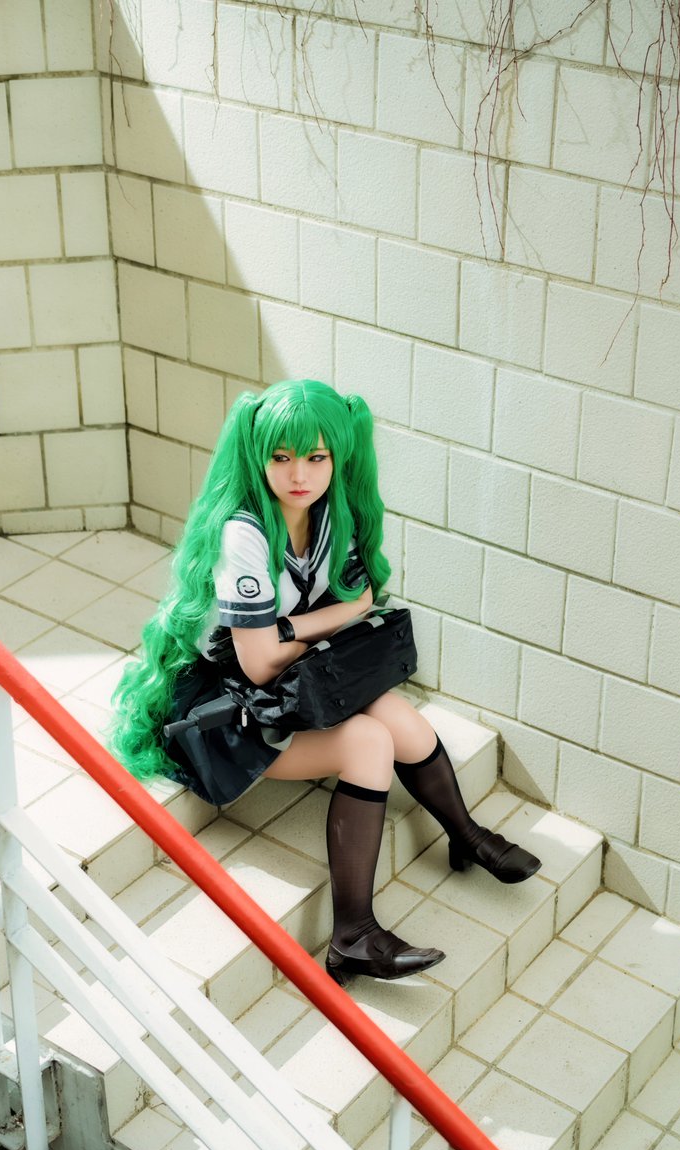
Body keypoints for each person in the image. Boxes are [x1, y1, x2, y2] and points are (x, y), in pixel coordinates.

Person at [109, 380, 540, 986]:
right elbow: (260, 663)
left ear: (337, 457)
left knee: (401, 721)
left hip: (290, 678)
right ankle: (351, 936)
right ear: (258, 456)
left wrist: (298, 628)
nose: (299, 475)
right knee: (369, 743)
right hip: (228, 707)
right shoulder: (243, 534)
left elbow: (347, 613)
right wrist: (323, 620)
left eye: (316, 457)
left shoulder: (331, 516)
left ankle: (464, 834)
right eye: (282, 457)